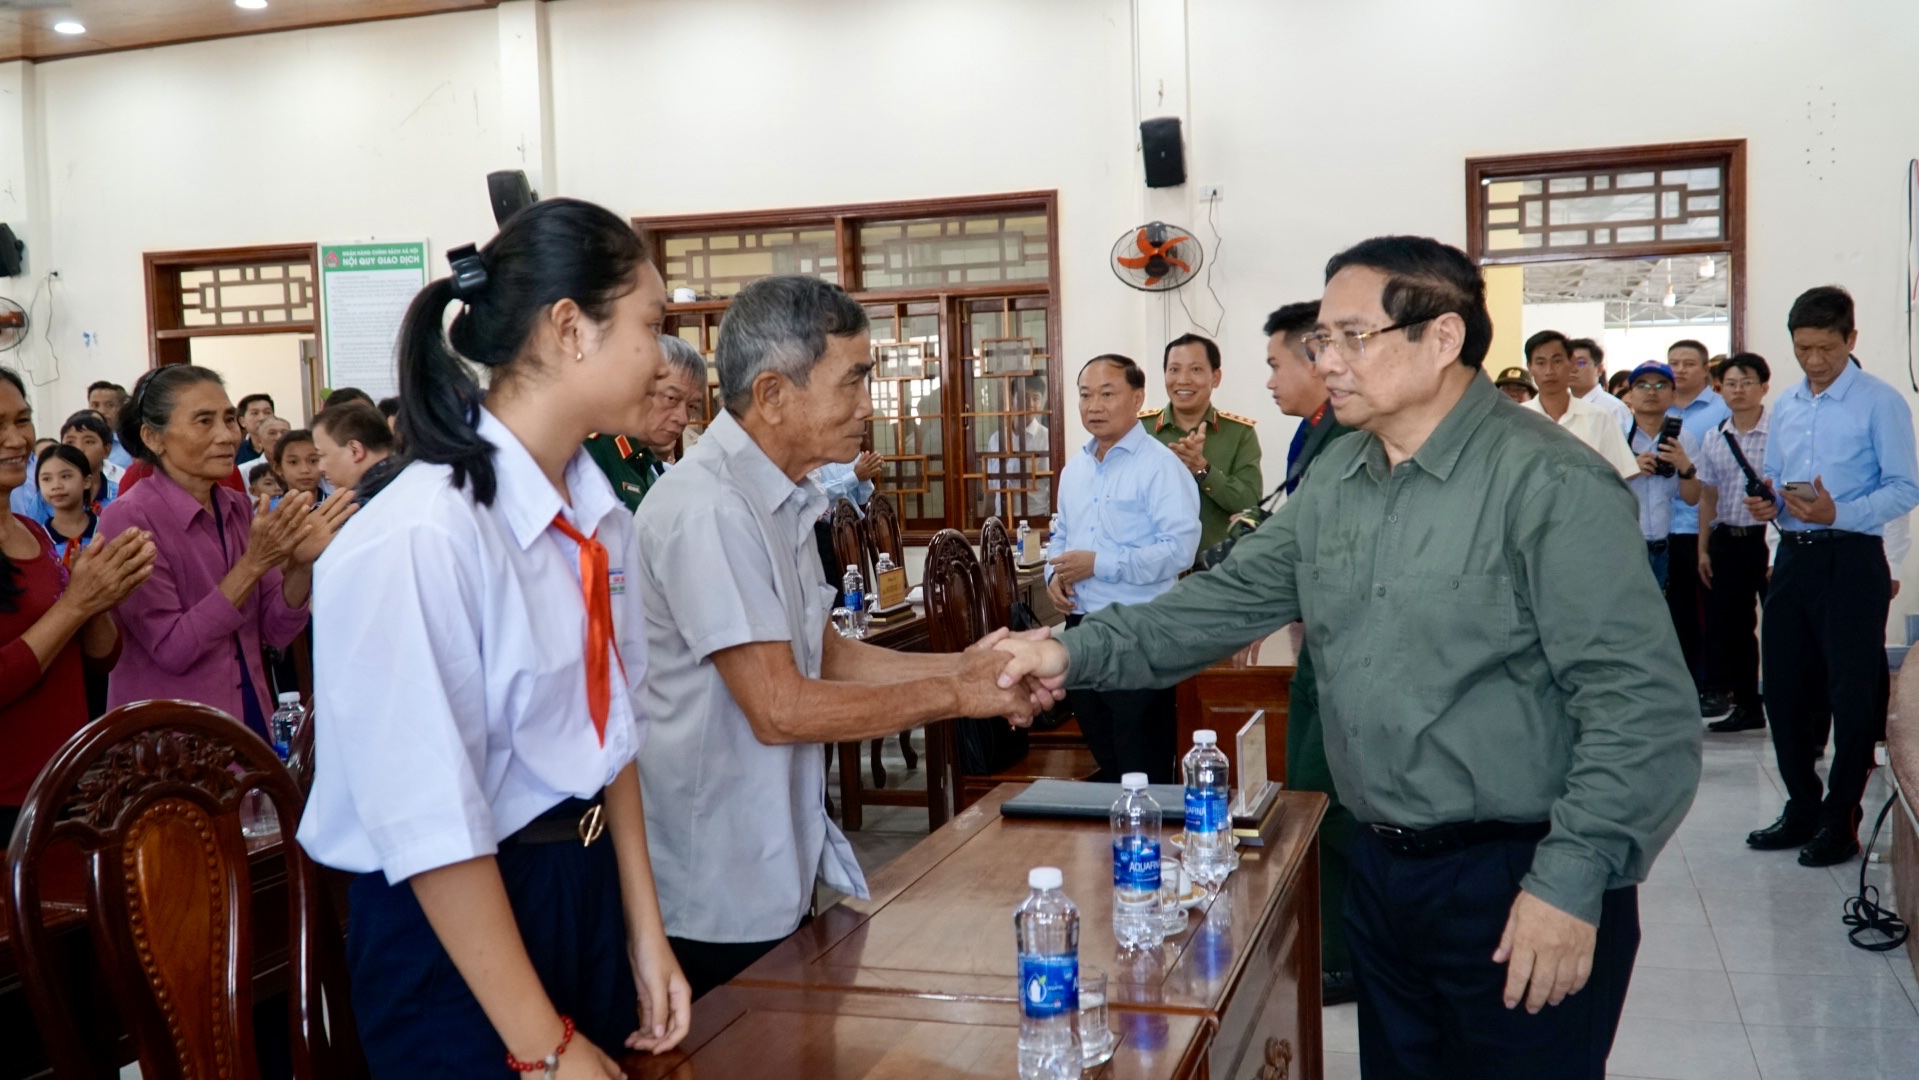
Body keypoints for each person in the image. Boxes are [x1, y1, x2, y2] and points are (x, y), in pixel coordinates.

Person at [992, 235, 1699, 1077]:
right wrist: (1067, 653)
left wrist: (1570, 883)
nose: (1325, 360)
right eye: (1321, 339)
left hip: (1520, 875)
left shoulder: (1547, 483)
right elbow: (1221, 601)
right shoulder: (1340, 476)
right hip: (1382, 870)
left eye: (1349, 337)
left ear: (1441, 338)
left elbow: (1640, 708)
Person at [298, 199, 695, 1077]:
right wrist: (543, 1046)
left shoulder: (594, 512)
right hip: (460, 934)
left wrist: (643, 929)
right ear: (570, 328)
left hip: (579, 887)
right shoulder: (421, 534)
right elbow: (429, 823)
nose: (663, 357)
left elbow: (610, 734)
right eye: (651, 324)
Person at [634, 273, 1052, 999]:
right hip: (715, 883)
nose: (869, 405)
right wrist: (958, 693)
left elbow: (823, 653)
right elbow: (781, 708)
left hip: (776, 856)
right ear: (772, 394)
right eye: (853, 380)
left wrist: (967, 665)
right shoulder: (711, 509)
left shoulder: (782, 496)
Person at [1744, 286, 1919, 867]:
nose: (1814, 360)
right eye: (1803, 349)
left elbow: (1905, 487)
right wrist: (1769, 502)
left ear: (1851, 339)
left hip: (1852, 559)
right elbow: (1777, 475)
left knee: (1851, 694)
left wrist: (1838, 512)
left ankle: (1840, 821)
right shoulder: (1789, 404)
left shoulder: (1880, 402)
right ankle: (1801, 806)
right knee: (1785, 690)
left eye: (1826, 348)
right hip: (1795, 558)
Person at [96, 365, 351, 740]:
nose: (228, 435)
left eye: (230, 419)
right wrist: (254, 564)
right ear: (153, 437)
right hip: (172, 744)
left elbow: (277, 630)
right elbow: (172, 649)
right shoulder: (129, 518)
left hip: (249, 722)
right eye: (204, 421)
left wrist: (300, 565)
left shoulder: (237, 507)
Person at [0, 367, 155, 842]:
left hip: (68, 780)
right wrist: (75, 604)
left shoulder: (31, 532)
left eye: (22, 420)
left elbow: (97, 658)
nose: (16, 439)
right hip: (8, 798)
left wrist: (99, 597)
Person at [1262, 297, 1359, 1005]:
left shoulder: (1343, 434)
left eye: (1275, 364)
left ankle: (1342, 956)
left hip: (1341, 639)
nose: (1269, 381)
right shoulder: (1313, 432)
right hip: (1316, 633)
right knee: (1305, 791)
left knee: (1330, 803)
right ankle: (1322, 940)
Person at [1048, 353, 1200, 783]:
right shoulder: (1075, 468)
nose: (1094, 406)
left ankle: (1150, 828)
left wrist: (1100, 564)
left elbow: (1180, 550)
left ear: (1137, 399)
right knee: (1105, 755)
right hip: (1081, 628)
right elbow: (1060, 533)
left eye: (1107, 394)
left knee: (1142, 760)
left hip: (1139, 630)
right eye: (1085, 395)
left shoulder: (1160, 466)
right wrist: (1053, 575)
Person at [1692, 352, 1772, 733]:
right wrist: (1703, 548)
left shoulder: (1780, 432)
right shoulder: (1715, 436)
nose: (1738, 391)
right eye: (1731, 384)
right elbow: (1708, 495)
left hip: (1770, 542)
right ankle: (1747, 707)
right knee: (1735, 630)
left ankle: (1793, 707)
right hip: (1728, 541)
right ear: (1720, 389)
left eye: (1747, 383)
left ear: (1764, 387)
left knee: (1783, 628)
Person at [1146, 332, 1262, 556]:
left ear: (1215, 377)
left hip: (1217, 568)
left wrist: (1202, 469)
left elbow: (1250, 504)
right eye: (1174, 369)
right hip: (1151, 567)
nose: (1183, 380)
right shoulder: (1142, 429)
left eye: (1196, 369)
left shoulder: (1239, 433)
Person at [1664, 339, 1731, 717]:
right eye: (1673, 363)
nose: (1680, 370)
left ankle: (1715, 686)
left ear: (1706, 369)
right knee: (1678, 614)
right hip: (1665, 526)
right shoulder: (1657, 408)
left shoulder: (1722, 409)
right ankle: (1683, 685)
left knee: (1713, 613)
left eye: (1689, 363)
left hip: (1705, 525)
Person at [583, 334, 706, 511]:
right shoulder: (594, 451)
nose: (683, 418)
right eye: (671, 398)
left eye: (692, 406)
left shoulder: (644, 461)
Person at [1623, 362, 1704, 590]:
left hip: (1665, 544)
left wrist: (1685, 467)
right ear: (1630, 395)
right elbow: (1598, 490)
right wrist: (1629, 469)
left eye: (1661, 385)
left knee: (1664, 609)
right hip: (1623, 546)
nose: (1651, 392)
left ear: (1673, 395)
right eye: (1642, 385)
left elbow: (1692, 498)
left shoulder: (1683, 438)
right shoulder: (1616, 435)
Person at [1519, 330, 1637, 479]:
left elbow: (1623, 473)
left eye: (1557, 361)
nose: (1549, 371)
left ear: (1571, 363)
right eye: (1540, 363)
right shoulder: (1518, 419)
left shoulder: (1599, 417)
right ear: (1530, 368)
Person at [312, 401, 400, 498]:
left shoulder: (366, 501)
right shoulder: (408, 476)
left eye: (322, 455)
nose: (320, 468)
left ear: (355, 451)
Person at [37, 445, 99, 571]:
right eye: (46, 479)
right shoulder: (38, 540)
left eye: (65, 476)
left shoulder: (103, 529)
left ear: (87, 481)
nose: (56, 486)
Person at [60, 410, 123, 508]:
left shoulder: (121, 495)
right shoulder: (48, 497)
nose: (79, 448)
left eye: (89, 442)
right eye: (70, 442)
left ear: (107, 450)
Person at [1568, 337, 1631, 426]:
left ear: (1599, 369)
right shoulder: (1561, 408)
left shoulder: (1614, 408)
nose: (1572, 369)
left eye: (1580, 363)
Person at [85, 380, 133, 470]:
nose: (101, 411)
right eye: (95, 405)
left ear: (121, 408)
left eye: (109, 405)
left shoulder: (131, 444)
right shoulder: (78, 443)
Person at [269, 428, 322, 506]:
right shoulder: (268, 509)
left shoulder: (337, 506)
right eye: (293, 462)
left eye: (313, 461)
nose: (305, 470)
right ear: (278, 468)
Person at [235, 393, 276, 464]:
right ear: (242, 421)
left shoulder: (284, 448)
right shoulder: (236, 451)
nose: (262, 418)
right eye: (255, 413)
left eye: (267, 412)